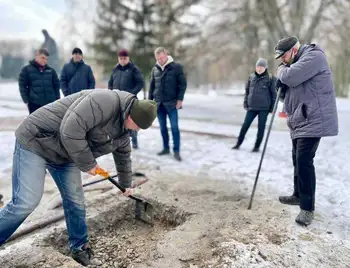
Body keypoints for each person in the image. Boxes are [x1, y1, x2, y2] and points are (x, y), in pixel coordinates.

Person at [0, 89, 157, 266]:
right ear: (130, 115)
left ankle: (79, 248)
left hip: (66, 154)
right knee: (26, 202)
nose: (137, 130)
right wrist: (88, 163)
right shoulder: (103, 101)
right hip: (38, 140)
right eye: (137, 125)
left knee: (76, 200)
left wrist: (126, 185)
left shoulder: (124, 132)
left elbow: (123, 157)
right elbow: (70, 129)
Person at [274, 36, 338, 226]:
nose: (282, 61)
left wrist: (281, 73)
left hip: (313, 118)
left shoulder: (314, 57)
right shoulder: (296, 62)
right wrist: (282, 88)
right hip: (300, 119)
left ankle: (307, 208)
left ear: (293, 50)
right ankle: (297, 195)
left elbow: (290, 76)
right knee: (296, 158)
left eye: (283, 57)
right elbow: (291, 86)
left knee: (304, 161)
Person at [148, 47, 187, 161]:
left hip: (172, 104)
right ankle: (165, 148)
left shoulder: (176, 67)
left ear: (166, 55)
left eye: (162, 57)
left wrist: (180, 100)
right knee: (163, 128)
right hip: (159, 104)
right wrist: (150, 101)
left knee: (174, 128)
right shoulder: (155, 69)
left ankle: (176, 151)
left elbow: (183, 85)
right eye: (158, 58)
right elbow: (152, 87)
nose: (160, 60)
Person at [232, 58, 277, 152]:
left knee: (261, 128)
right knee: (245, 126)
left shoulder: (270, 78)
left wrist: (272, 108)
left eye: (261, 67)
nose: (259, 69)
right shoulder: (251, 77)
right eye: (258, 66)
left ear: (265, 68)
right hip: (251, 107)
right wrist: (245, 103)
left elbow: (274, 95)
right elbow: (247, 92)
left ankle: (256, 147)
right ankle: (238, 143)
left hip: (264, 108)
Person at [108, 49, 144, 149]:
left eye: (125, 58)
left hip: (129, 100)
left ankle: (134, 141)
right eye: (121, 58)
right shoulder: (115, 69)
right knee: (117, 121)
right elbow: (110, 82)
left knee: (131, 121)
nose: (123, 60)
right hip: (116, 99)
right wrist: (111, 92)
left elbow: (140, 83)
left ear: (128, 58)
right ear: (118, 59)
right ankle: (118, 142)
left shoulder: (134, 69)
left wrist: (131, 93)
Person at [18, 48, 60, 114]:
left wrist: (57, 99)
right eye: (43, 58)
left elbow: (56, 86)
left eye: (46, 59)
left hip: (50, 104)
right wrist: (26, 100)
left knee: (50, 123)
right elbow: (22, 85)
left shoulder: (51, 71)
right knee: (36, 124)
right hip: (34, 104)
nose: (45, 61)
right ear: (36, 56)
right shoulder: (26, 70)